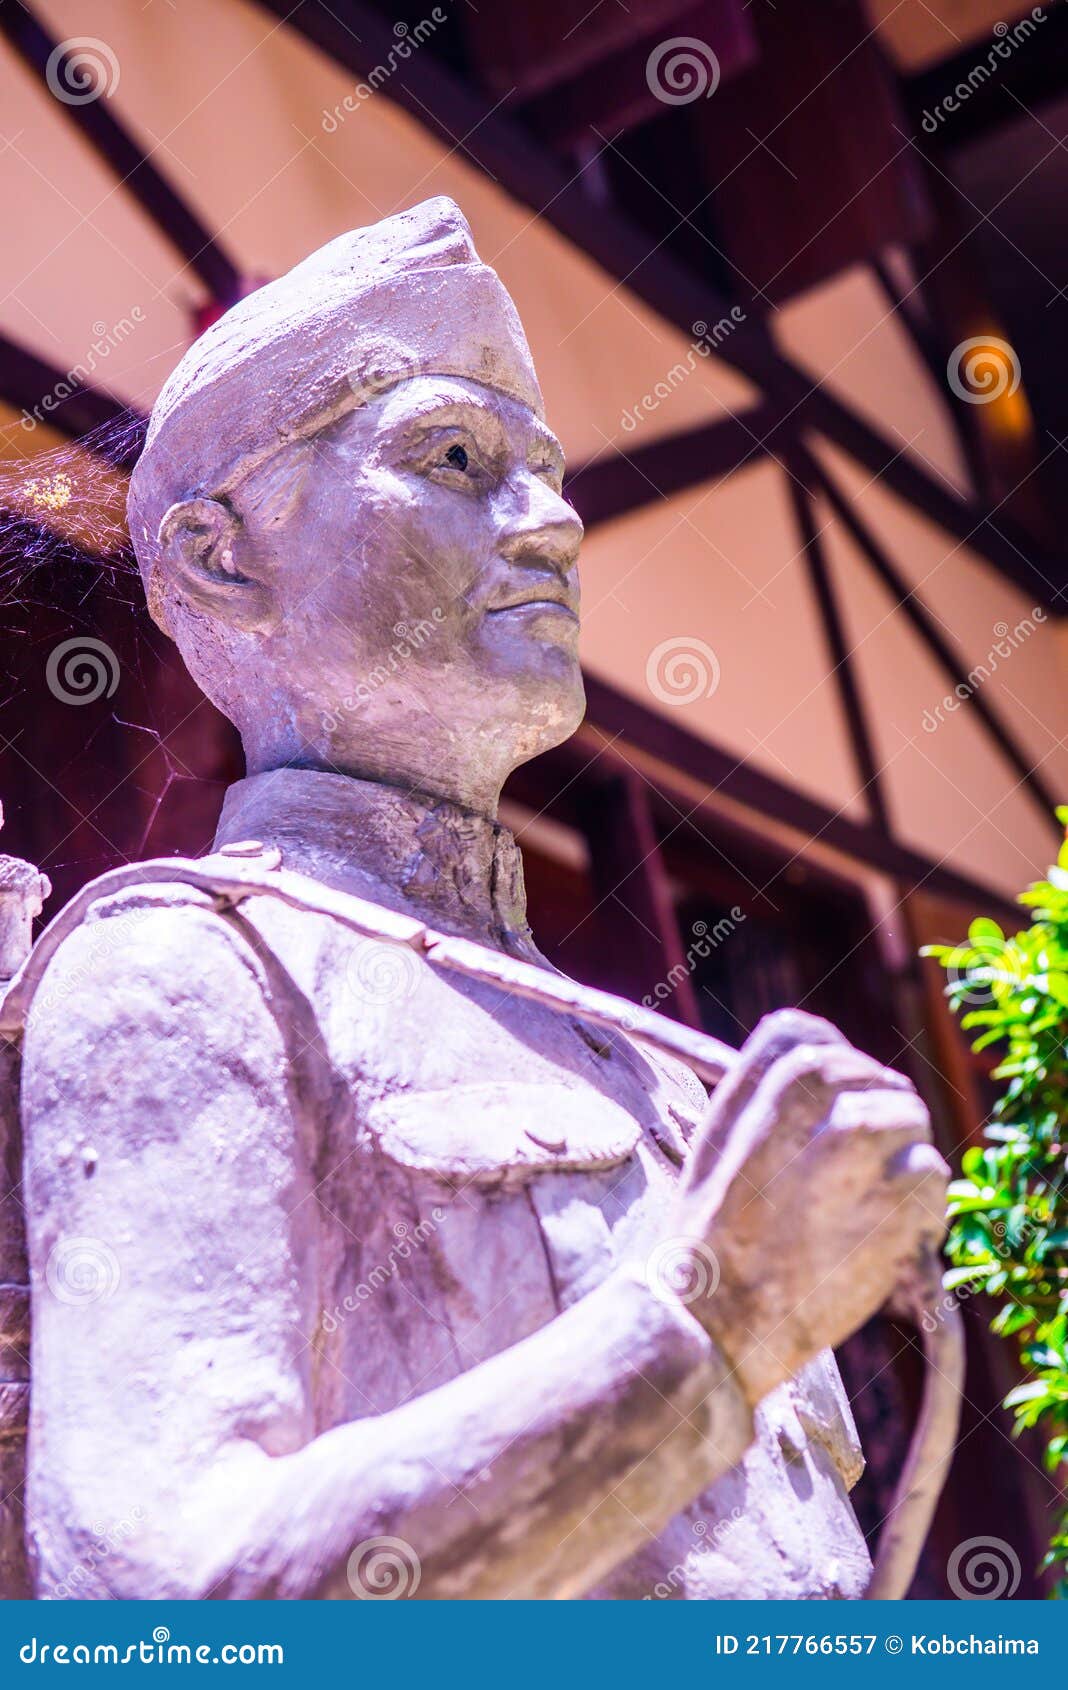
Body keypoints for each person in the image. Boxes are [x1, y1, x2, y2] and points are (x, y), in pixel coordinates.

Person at [19, 197, 947, 1600]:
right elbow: (159, 1598)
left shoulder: (643, 1056)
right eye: (454, 456)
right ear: (221, 556)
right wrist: (710, 1326)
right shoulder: (190, 973)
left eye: (550, 470)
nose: (554, 523)